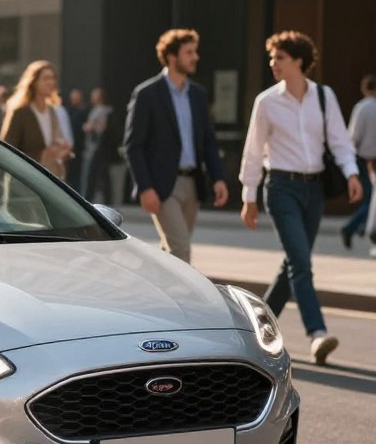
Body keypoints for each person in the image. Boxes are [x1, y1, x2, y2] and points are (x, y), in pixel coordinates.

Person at [240, 31, 361, 364]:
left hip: (314, 189)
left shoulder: (324, 96)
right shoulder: (266, 101)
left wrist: (352, 173)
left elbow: (338, 140)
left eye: (279, 57)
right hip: (280, 188)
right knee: (301, 264)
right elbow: (252, 153)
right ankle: (317, 334)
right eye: (272, 57)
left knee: (293, 265)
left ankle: (256, 332)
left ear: (298, 61)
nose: (272, 63)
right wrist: (249, 196)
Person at [123, 28, 228, 264]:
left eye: (195, 52)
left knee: (172, 254)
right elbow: (133, 146)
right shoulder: (147, 94)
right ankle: (185, 301)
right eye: (189, 52)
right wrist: (145, 187)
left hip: (193, 184)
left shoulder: (198, 95)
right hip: (162, 187)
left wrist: (219, 178)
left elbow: (208, 142)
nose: (195, 57)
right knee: (181, 248)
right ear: (172, 57)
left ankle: (154, 293)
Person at [0, 60, 73, 179]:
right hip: (25, 183)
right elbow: (7, 150)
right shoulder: (21, 113)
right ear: (33, 82)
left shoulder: (53, 112)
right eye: (46, 78)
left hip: (52, 180)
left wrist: (62, 150)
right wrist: (43, 155)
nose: (51, 82)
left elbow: (56, 143)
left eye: (53, 78)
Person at [341, 73, 376, 251]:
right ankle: (358, 228)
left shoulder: (362, 108)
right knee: (371, 199)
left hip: (362, 157)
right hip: (369, 158)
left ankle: (358, 228)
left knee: (370, 198)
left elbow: (353, 136)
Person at [81, 87, 115, 202]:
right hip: (96, 148)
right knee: (101, 176)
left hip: (96, 148)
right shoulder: (99, 110)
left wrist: (89, 127)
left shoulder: (102, 111)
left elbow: (99, 127)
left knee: (92, 175)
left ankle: (88, 199)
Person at [63, 89, 87, 189]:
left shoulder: (84, 112)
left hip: (80, 148)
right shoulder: (67, 111)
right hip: (68, 147)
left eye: (77, 98)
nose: (75, 100)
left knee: (78, 175)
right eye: (73, 98)